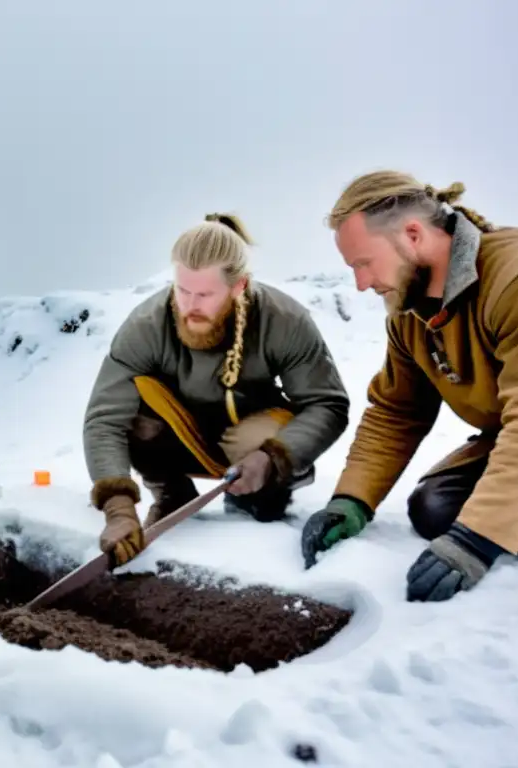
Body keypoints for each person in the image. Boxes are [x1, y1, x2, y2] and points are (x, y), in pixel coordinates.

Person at [301, 171, 518, 602]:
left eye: (364, 263)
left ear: (412, 235)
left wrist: (476, 541)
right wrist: (350, 501)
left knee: (475, 526)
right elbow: (397, 410)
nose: (361, 284)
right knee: (436, 507)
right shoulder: (410, 312)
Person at [82, 213, 351, 567]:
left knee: (262, 506)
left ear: (239, 287)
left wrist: (273, 457)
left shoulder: (284, 320)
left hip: (256, 443)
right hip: (180, 437)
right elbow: (104, 418)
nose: (190, 306)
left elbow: (327, 404)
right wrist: (118, 508)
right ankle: (172, 493)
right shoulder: (146, 325)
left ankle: (263, 490)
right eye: (182, 290)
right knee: (134, 412)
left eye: (205, 294)